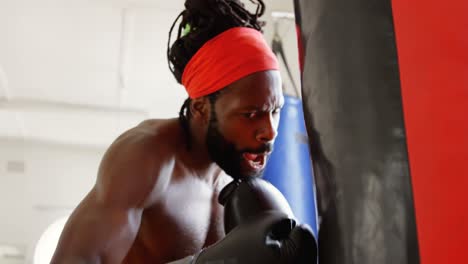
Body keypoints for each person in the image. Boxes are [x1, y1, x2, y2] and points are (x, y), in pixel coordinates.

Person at [51, 0, 303, 263]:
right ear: (201, 108)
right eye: (250, 114)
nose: (269, 131)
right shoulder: (148, 158)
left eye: (275, 111)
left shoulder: (243, 188)